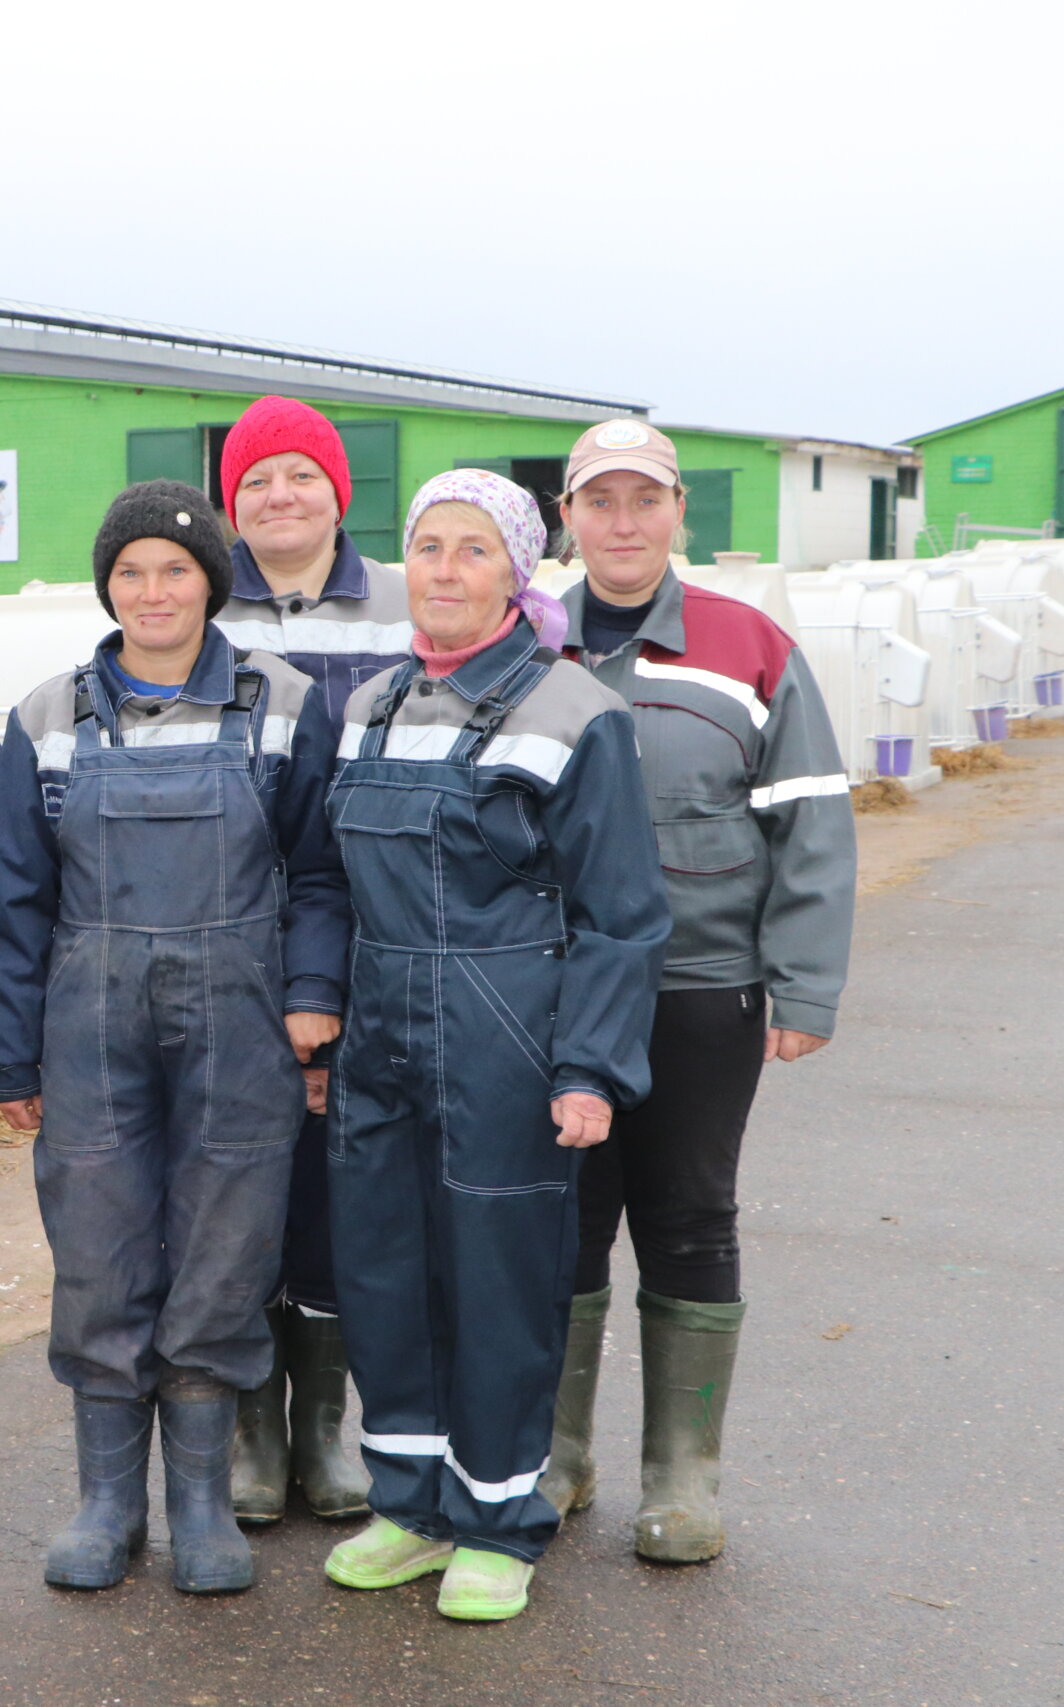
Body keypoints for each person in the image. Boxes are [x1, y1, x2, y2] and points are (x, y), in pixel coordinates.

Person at [0, 481, 347, 1596]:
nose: (152, 591)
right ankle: (104, 1502)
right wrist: (14, 1054)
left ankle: (199, 1504)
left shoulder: (279, 700)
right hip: (89, 1015)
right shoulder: (47, 713)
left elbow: (320, 873)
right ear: (106, 587)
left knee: (227, 1246)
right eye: (130, 571)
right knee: (98, 1246)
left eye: (175, 569)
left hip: (242, 1013)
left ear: (210, 584)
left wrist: (313, 997)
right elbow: (7, 899)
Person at [319, 469, 667, 1622]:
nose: (445, 571)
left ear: (516, 572)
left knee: (500, 1280)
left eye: (474, 550)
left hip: (505, 1028)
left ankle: (500, 1520)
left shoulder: (571, 710)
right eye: (427, 548)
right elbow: (324, 877)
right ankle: (409, 1506)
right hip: (376, 1031)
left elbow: (620, 911)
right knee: (381, 1268)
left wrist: (589, 1067)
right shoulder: (367, 704)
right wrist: (320, 1012)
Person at [540, 419, 855, 1562]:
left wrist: (804, 985)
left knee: (685, 1213)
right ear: (567, 518)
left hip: (701, 981)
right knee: (560, 1219)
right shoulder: (528, 641)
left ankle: (681, 1476)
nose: (621, 523)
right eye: (598, 501)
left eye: (644, 500)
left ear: (679, 513)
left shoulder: (748, 644)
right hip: (555, 988)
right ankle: (556, 1456)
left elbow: (810, 817)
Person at [210, 395, 413, 1527]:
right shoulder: (197, 597)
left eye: (300, 475)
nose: (278, 498)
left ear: (338, 489)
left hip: (372, 933)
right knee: (242, 1188)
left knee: (341, 1192)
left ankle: (324, 1434)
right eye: (255, 481)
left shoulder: (396, 603)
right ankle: (252, 1437)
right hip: (230, 937)